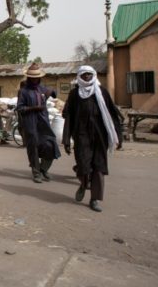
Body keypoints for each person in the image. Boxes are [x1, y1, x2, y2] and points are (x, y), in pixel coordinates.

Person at [62, 65, 123, 212]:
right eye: (84, 75)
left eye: (90, 74)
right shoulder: (74, 94)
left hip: (100, 135)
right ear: (79, 77)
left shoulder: (102, 92)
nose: (87, 77)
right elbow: (69, 117)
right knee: (83, 164)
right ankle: (83, 184)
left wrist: (118, 136)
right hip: (82, 134)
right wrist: (66, 139)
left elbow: (112, 115)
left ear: (94, 75)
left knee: (99, 167)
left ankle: (95, 199)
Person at [16, 63, 61, 183]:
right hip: (30, 122)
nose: (35, 79)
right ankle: (36, 173)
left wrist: (51, 91)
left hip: (43, 121)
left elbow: (53, 92)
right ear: (28, 78)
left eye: (37, 77)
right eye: (32, 77)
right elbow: (20, 108)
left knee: (50, 144)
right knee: (33, 147)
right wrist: (34, 108)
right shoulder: (24, 91)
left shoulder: (42, 88)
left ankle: (43, 169)